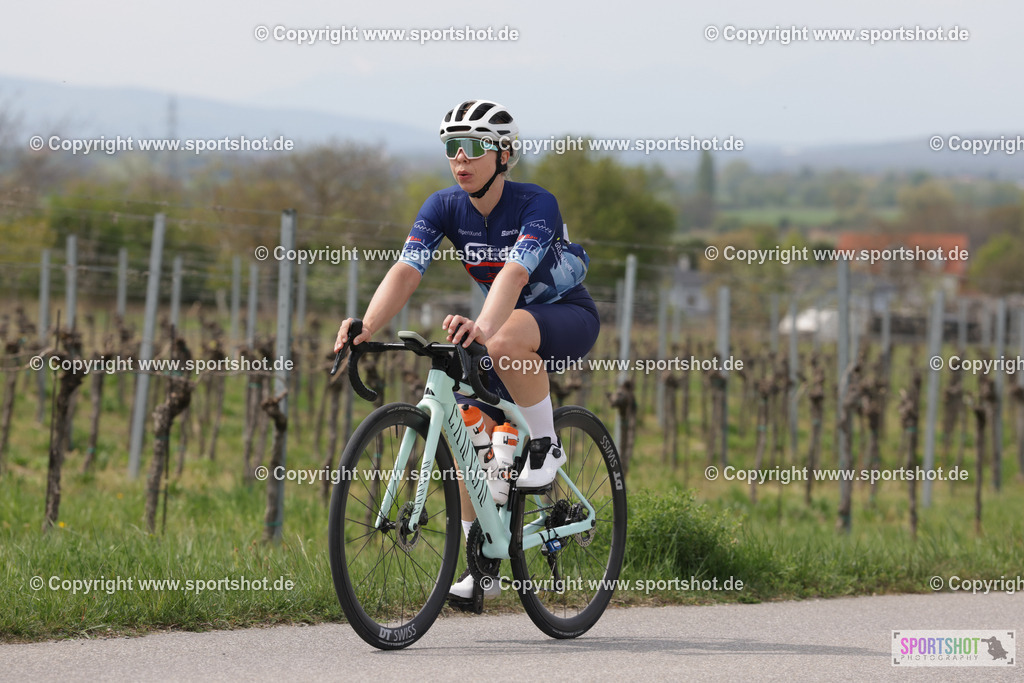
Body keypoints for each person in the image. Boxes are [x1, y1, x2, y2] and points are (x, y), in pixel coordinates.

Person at [333, 99, 599, 604]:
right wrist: (366, 326)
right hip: (502, 327)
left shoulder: (536, 203)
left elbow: (515, 274)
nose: (461, 159)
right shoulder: (443, 207)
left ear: (503, 154)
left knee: (501, 339)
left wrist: (480, 326)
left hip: (565, 318)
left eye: (474, 149)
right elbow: (407, 270)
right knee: (468, 430)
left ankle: (546, 444)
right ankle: (484, 563)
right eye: (452, 148)